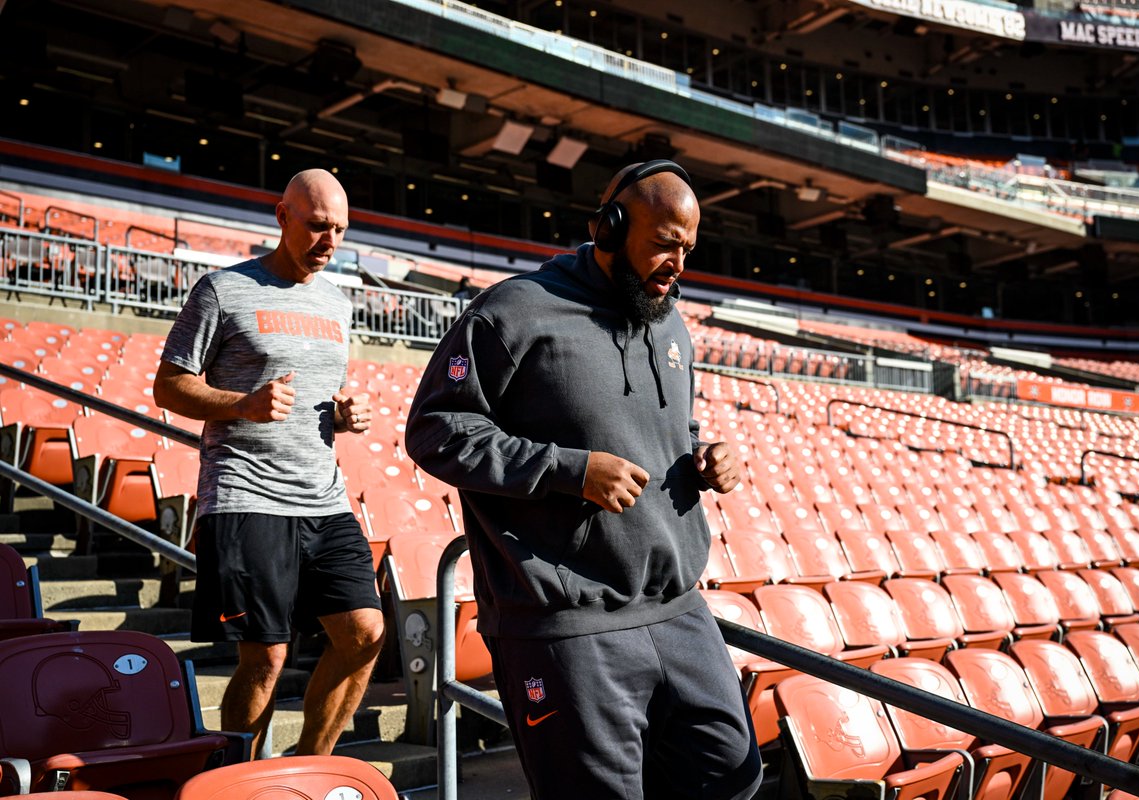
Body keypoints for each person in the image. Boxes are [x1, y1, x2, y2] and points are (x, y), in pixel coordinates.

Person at [405, 160, 762, 799]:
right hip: (565, 622)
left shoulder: (668, 317)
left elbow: (665, 428)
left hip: (677, 609)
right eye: (664, 244)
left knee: (732, 778)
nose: (679, 265)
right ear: (609, 227)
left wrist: (704, 454)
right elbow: (437, 431)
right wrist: (570, 470)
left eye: (688, 248)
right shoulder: (513, 312)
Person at [153, 169, 385, 758]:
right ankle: (238, 780)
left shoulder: (336, 300)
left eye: (340, 230)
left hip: (323, 496)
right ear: (282, 217)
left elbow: (311, 399)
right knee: (266, 657)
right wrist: (244, 405)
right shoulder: (223, 290)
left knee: (364, 635)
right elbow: (169, 386)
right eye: (317, 226)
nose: (329, 241)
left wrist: (342, 415)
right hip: (244, 493)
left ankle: (306, 769)